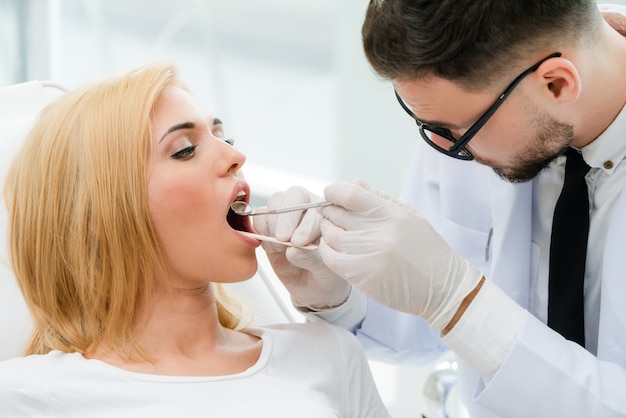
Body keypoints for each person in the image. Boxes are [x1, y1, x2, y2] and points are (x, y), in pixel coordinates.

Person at [254, 2, 626, 417]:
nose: (444, 149)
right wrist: (339, 294)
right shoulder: (471, 117)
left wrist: (457, 298)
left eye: (454, 131)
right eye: (428, 125)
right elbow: (430, 326)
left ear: (556, 84)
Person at [0, 63, 389, 417]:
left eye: (224, 136)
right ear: (95, 216)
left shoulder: (328, 353)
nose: (236, 155)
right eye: (184, 150)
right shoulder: (28, 396)